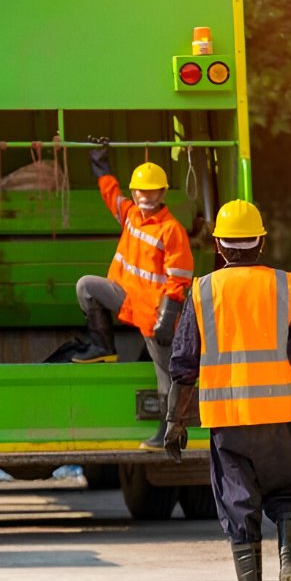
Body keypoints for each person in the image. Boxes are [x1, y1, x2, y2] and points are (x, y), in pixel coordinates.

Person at [163, 199, 291, 581]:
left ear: (219, 246)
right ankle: (289, 565)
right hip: (276, 419)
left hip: (227, 424)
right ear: (260, 242)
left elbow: (183, 364)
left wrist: (174, 422)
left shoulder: (202, 291)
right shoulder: (285, 286)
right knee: (289, 495)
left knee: (239, 507)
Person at [72, 137, 195, 450]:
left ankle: (170, 433)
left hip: (154, 313)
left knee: (166, 374)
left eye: (152, 190)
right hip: (125, 295)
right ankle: (103, 347)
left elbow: (179, 276)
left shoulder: (171, 229)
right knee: (86, 285)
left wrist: (169, 316)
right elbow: (111, 194)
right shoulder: (130, 214)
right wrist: (99, 163)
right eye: (140, 190)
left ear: (162, 192)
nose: (145, 196)